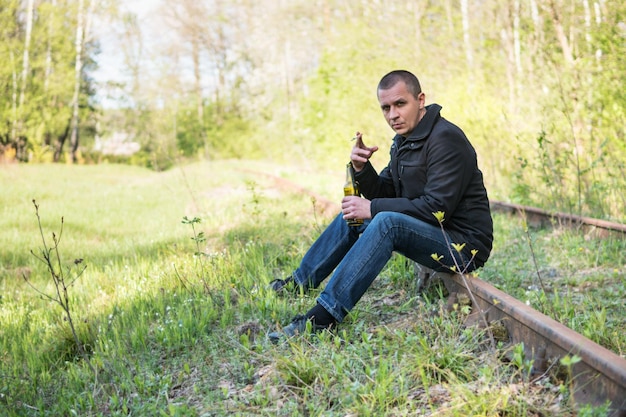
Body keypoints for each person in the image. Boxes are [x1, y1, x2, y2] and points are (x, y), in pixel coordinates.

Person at [268, 70, 493, 342]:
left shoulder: (445, 139)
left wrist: (372, 208)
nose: (392, 115)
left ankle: (322, 318)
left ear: (420, 100)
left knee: (386, 221)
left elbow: (437, 209)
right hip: (435, 235)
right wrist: (362, 169)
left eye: (400, 104)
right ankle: (300, 282)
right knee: (353, 211)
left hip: (463, 245)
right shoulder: (404, 141)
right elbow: (387, 190)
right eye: (385, 108)